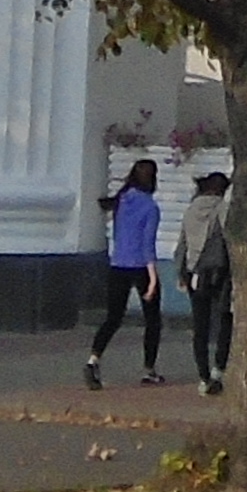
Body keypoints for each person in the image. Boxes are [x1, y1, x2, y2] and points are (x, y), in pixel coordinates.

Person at [88, 154, 164, 387]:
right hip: (140, 267)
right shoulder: (150, 206)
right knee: (153, 321)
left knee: (113, 317)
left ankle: (93, 359)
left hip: (117, 264)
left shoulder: (121, 201)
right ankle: (148, 369)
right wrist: (152, 278)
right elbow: (147, 243)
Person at [172, 168, 234, 396]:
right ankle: (219, 370)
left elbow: (181, 245)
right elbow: (232, 240)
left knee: (200, 326)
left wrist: (181, 274)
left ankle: (203, 376)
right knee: (225, 318)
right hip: (220, 273)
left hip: (195, 274)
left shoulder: (190, 210)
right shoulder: (223, 209)